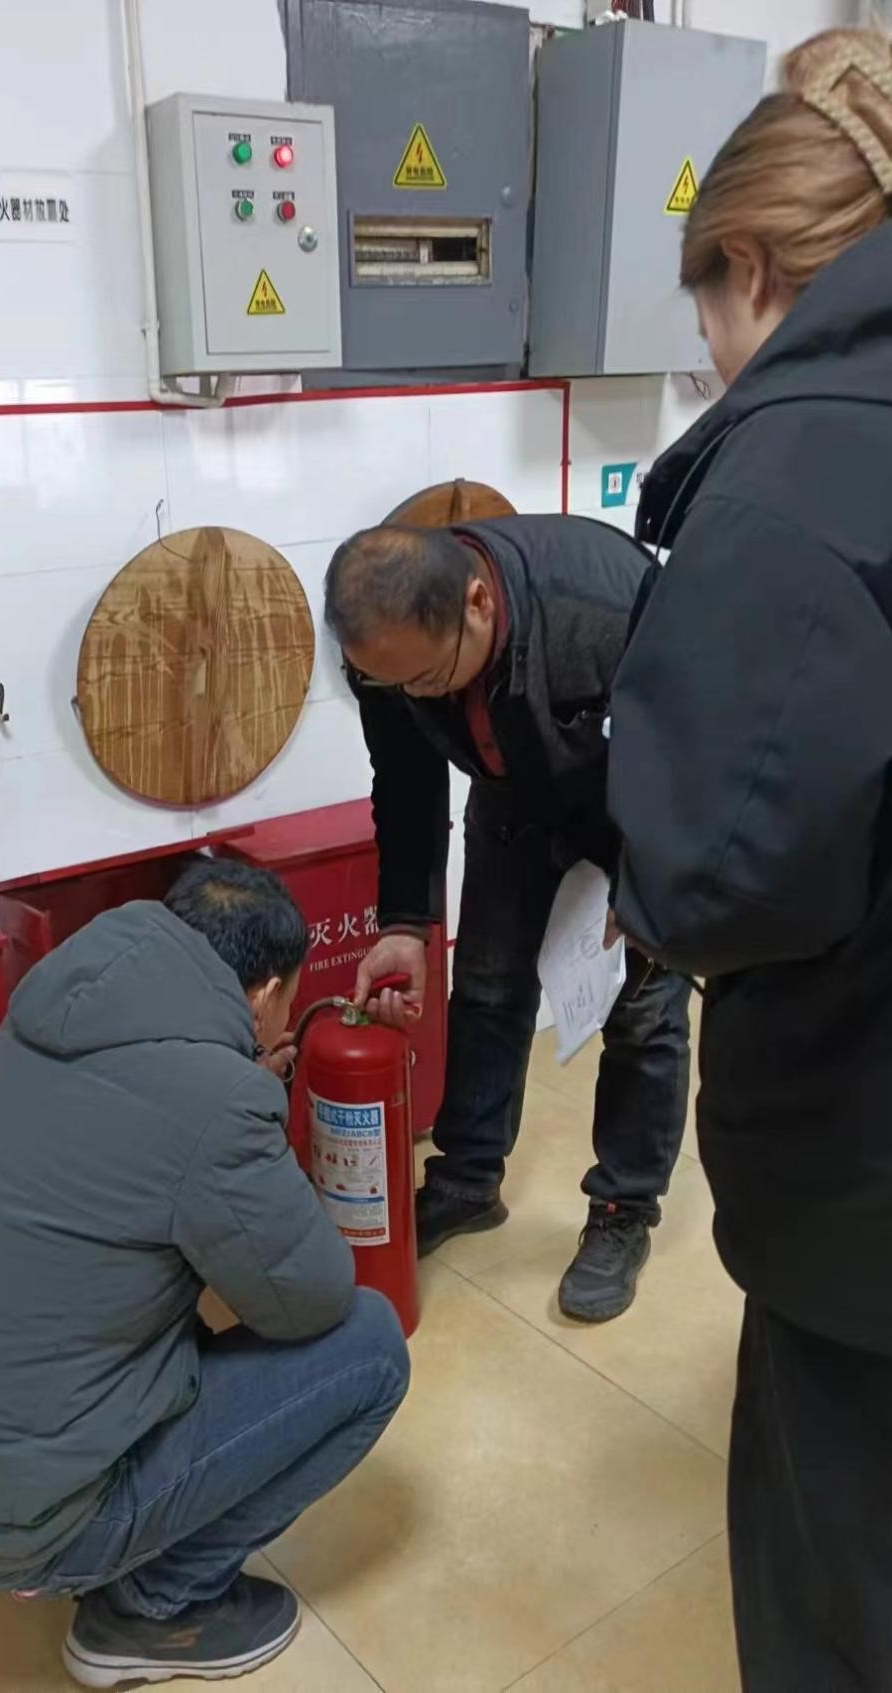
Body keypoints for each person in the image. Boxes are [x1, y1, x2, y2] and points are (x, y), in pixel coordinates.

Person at [604, 28, 892, 1692]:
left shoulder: (786, 482)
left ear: (748, 267)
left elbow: (716, 878)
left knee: (834, 1583)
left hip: (863, 1166)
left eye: (702, 313)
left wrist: (638, 846)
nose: (709, 356)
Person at [0, 859, 409, 1689]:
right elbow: (311, 1296)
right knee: (370, 1348)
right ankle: (155, 1606)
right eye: (288, 999)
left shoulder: (40, 1019)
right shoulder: (216, 1101)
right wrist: (253, 1113)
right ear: (265, 993)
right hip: (25, 1523)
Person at [324, 517, 692, 1322]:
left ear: (478, 602)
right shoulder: (386, 650)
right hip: (511, 797)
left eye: (426, 678)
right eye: (391, 684)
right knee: (487, 986)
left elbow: (692, 751)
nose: (414, 696)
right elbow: (405, 779)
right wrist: (403, 921)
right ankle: (465, 1179)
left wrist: (647, 881)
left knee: (642, 1010)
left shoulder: (607, 609)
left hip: (632, 806)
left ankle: (622, 1209)